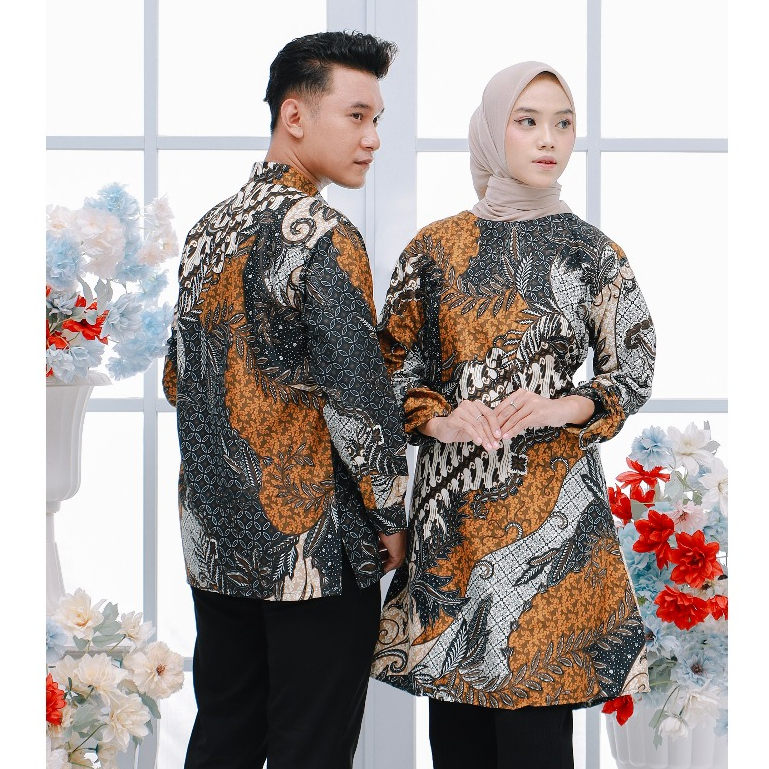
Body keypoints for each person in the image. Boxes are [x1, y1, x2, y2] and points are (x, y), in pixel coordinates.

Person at [371, 61, 655, 769]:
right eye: (527, 121)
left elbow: (633, 364)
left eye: (563, 123)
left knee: (537, 743)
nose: (548, 138)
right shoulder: (434, 249)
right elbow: (390, 372)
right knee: (458, 741)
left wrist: (561, 404)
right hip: (455, 524)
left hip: (552, 523)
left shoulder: (592, 253)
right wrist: (442, 420)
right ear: (492, 131)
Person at [162, 31, 409, 769]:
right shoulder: (324, 235)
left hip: (216, 539)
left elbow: (177, 378)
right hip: (313, 549)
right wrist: (389, 513)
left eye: (377, 120)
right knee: (312, 749)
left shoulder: (208, 230)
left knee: (225, 734)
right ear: (293, 116)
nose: (371, 138)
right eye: (356, 116)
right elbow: (358, 399)